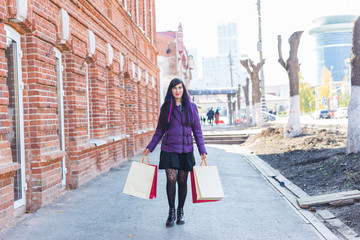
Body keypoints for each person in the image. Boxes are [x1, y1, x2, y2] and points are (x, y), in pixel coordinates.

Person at [142, 78, 207, 227]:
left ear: (183, 89)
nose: (177, 90)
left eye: (180, 87)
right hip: (169, 149)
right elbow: (160, 130)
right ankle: (171, 211)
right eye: (174, 88)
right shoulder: (166, 107)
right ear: (171, 90)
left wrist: (202, 150)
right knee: (171, 180)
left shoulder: (191, 107)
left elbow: (197, 130)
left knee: (182, 181)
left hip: (186, 150)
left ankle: (181, 211)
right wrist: (150, 147)